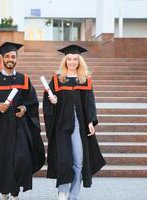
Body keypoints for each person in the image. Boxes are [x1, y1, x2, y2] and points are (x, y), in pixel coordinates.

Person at [0, 42, 45, 200]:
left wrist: (25, 109)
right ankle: (5, 193)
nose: (10, 59)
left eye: (13, 56)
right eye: (7, 56)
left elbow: (32, 102)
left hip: (19, 127)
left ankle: (15, 192)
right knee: (3, 161)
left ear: (17, 59)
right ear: (2, 58)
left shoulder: (24, 80)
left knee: (21, 158)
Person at [43, 44, 106, 200]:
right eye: (69, 59)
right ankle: (63, 192)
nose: (72, 62)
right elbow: (48, 102)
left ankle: (74, 196)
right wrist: (53, 100)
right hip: (62, 125)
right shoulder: (57, 80)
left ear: (79, 61)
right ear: (65, 61)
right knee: (64, 159)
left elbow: (90, 102)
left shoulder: (85, 80)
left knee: (79, 161)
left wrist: (91, 121)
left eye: (75, 59)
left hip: (79, 125)